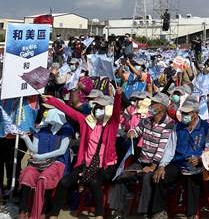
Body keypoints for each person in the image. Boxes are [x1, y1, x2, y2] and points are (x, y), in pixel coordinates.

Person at [45, 90, 122, 219]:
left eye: (101, 108)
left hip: (105, 165)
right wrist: (52, 100)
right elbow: (70, 111)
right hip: (86, 163)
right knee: (64, 182)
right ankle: (54, 214)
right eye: (96, 107)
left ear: (107, 110)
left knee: (94, 182)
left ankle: (99, 215)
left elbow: (116, 112)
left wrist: (118, 95)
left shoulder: (112, 124)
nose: (98, 110)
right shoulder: (87, 121)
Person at [109, 92, 177, 219]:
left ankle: (144, 213)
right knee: (121, 176)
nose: (151, 105)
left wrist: (152, 166)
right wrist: (132, 132)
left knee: (147, 178)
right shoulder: (146, 120)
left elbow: (162, 149)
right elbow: (137, 130)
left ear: (162, 107)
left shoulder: (169, 124)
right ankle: (117, 211)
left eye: (154, 103)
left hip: (156, 164)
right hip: (141, 161)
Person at [18, 108, 73, 219]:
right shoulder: (42, 128)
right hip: (39, 163)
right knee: (27, 174)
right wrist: (25, 138)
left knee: (44, 178)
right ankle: (23, 210)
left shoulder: (67, 129)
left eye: (49, 109)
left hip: (57, 162)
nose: (46, 112)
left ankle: (41, 212)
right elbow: (34, 149)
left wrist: (41, 156)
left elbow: (62, 151)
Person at [160, 97, 209, 219]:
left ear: (195, 114)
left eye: (187, 113)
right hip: (178, 163)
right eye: (183, 113)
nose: (184, 115)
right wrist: (162, 166)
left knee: (192, 178)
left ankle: (191, 214)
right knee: (159, 177)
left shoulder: (206, 127)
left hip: (197, 163)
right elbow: (170, 149)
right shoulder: (177, 127)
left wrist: (200, 159)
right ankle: (160, 211)